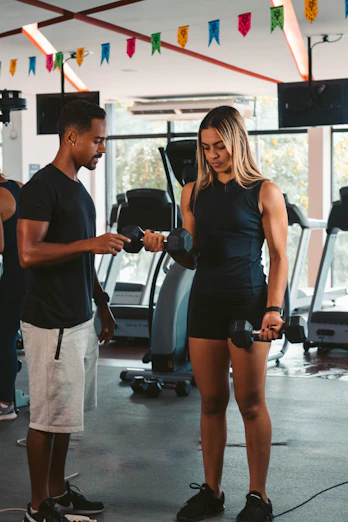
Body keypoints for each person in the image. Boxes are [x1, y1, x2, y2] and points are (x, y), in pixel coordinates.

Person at [143, 106, 288, 522]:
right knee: (210, 400)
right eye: (206, 148)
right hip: (204, 300)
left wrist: (273, 309)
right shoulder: (191, 192)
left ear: (237, 142)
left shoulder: (265, 191)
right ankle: (212, 491)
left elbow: (279, 257)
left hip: (247, 300)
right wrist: (166, 243)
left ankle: (258, 496)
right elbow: (191, 256)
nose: (212, 155)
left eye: (219, 146)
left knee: (250, 402)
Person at [17, 100, 130, 522]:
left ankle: (58, 490)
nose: (102, 148)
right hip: (51, 323)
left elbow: (85, 257)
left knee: (66, 416)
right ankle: (36, 505)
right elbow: (28, 253)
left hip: (79, 316)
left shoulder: (78, 191)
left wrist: (101, 304)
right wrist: (90, 244)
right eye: (97, 140)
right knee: (46, 417)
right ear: (72, 136)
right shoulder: (41, 187)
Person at [0, 172, 25, 420]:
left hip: (15, 273)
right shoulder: (18, 186)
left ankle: (4, 403)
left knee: (4, 335)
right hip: (34, 269)